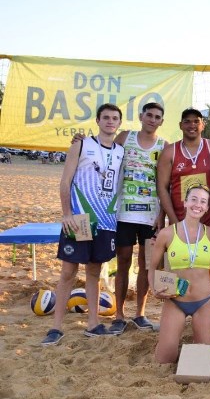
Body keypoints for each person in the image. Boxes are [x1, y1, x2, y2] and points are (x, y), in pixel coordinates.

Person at [41, 103, 125, 346]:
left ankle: (93, 324)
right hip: (80, 218)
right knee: (68, 272)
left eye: (115, 118)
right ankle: (55, 327)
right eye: (106, 117)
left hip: (106, 221)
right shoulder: (81, 144)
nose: (110, 121)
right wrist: (66, 213)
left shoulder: (121, 151)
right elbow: (65, 181)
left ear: (119, 123)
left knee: (94, 272)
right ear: (97, 121)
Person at [108, 102, 166, 334]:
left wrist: (162, 214)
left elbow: (165, 183)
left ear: (162, 121)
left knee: (146, 265)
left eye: (157, 117)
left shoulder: (164, 146)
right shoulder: (125, 137)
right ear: (141, 116)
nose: (152, 119)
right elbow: (105, 152)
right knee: (123, 262)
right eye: (149, 115)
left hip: (150, 215)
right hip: (124, 212)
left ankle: (140, 314)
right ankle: (119, 315)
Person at [147, 184, 210, 363]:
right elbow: (152, 267)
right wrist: (154, 289)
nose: (197, 205)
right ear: (185, 202)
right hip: (175, 300)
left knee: (203, 360)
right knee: (165, 359)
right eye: (193, 199)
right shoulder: (167, 234)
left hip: (204, 301)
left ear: (207, 207)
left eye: (203, 201)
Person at [157, 108, 210, 227]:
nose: (192, 125)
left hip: (209, 223)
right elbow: (162, 188)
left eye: (196, 121)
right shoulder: (170, 152)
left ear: (203, 125)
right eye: (187, 121)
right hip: (179, 220)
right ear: (180, 125)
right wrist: (173, 221)